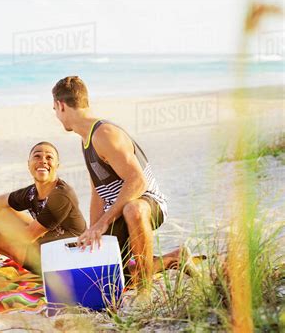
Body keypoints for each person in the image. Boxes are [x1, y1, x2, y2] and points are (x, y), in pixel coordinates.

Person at [51, 76, 196, 300]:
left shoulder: (104, 134)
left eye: (55, 109)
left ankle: (145, 292)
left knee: (133, 210)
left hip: (147, 201)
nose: (56, 116)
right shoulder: (86, 139)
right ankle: (175, 258)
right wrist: (92, 231)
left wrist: (103, 222)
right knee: (109, 275)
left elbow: (137, 181)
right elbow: (97, 194)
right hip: (118, 209)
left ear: (61, 105)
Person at [0, 141, 87, 275]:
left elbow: (26, 237)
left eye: (49, 157)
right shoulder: (33, 192)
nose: (43, 161)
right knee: (3, 212)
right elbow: (1, 201)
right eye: (37, 156)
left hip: (68, 260)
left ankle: (15, 268)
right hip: (45, 242)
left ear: (57, 166)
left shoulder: (61, 196)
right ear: (29, 164)